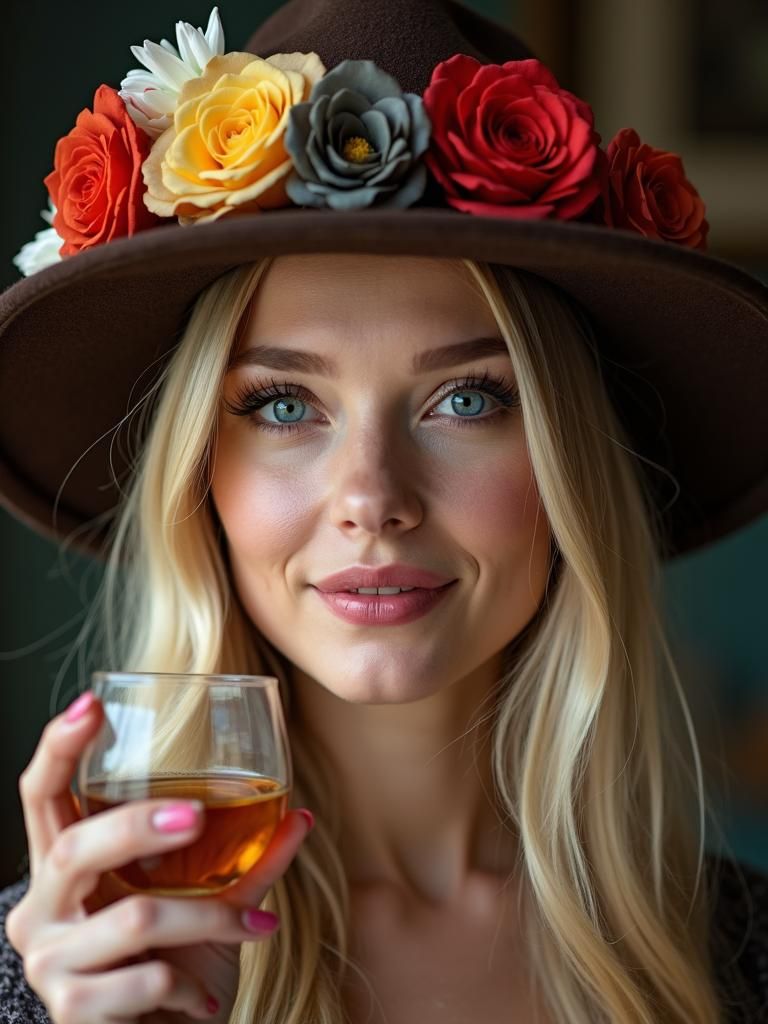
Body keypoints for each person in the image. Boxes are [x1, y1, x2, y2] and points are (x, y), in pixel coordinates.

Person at [0, 1, 767, 1022]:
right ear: (199, 474)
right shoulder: (57, 982)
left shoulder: (744, 956)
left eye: (469, 398)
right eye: (283, 404)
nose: (372, 498)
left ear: (571, 464)